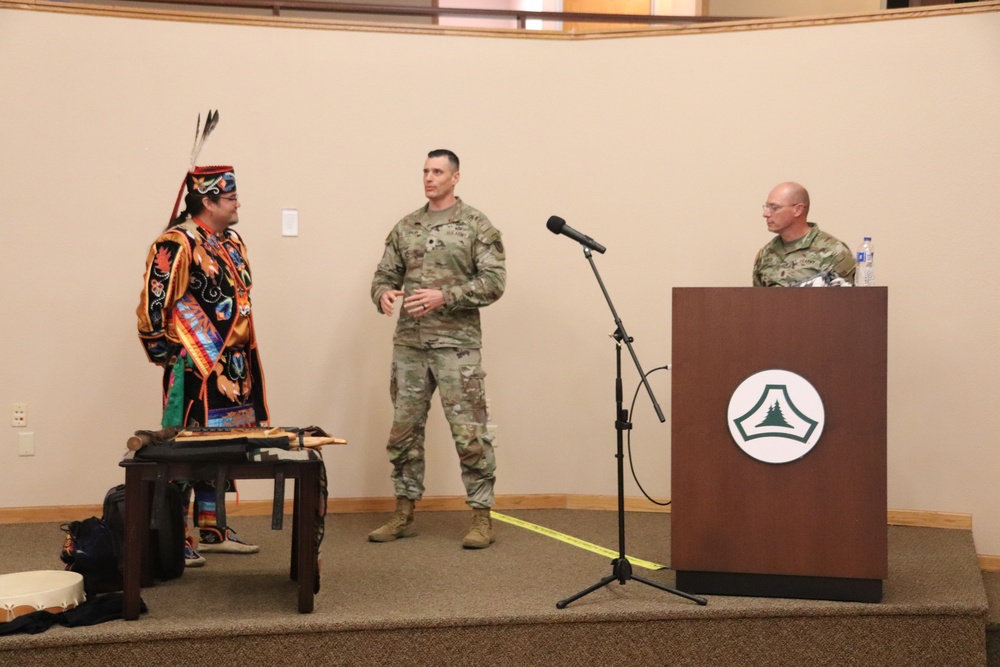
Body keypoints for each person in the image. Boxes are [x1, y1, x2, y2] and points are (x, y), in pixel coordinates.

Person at [369, 149, 506, 549]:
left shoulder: (476, 225)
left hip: (456, 348)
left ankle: (482, 518)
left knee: (470, 435)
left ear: (455, 177)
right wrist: (382, 296)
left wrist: (444, 297)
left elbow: (495, 282)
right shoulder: (407, 226)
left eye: (438, 171)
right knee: (404, 432)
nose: (429, 177)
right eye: (425, 171)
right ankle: (404, 512)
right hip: (410, 346)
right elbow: (383, 274)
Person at [137, 155, 268, 566]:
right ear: (208, 201)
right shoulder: (176, 244)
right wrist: (172, 356)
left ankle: (212, 528)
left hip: (234, 365)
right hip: (196, 365)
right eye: (231, 197)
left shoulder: (231, 242)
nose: (237, 204)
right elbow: (153, 308)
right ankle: (179, 538)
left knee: (225, 447)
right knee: (185, 451)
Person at [752, 182, 855, 287]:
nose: (766, 214)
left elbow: (850, 299)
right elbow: (758, 299)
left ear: (798, 210)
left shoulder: (833, 251)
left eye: (774, 208)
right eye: (767, 207)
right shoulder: (766, 253)